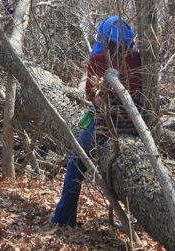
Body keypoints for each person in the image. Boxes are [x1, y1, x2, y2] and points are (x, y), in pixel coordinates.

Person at [50, 15, 144, 228]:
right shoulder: (138, 58)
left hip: (108, 125)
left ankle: (64, 218)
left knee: (76, 162)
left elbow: (90, 93)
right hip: (136, 124)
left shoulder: (100, 59)